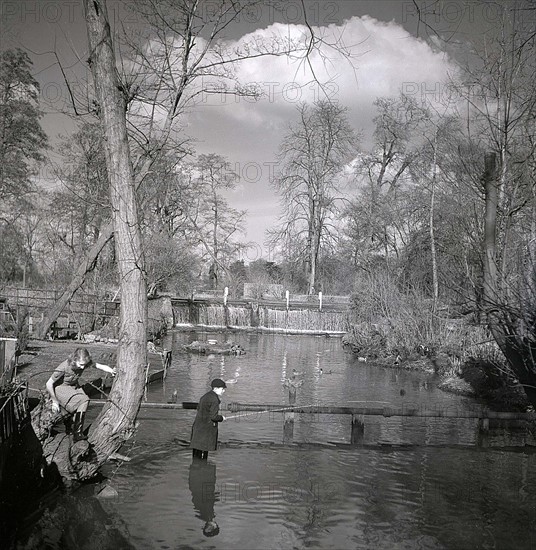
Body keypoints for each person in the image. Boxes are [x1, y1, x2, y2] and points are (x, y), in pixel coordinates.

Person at [46, 347, 116, 441]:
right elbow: (49, 383)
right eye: (81, 364)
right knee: (84, 400)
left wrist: (111, 371)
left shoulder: (84, 363)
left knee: (82, 401)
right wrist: (54, 401)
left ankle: (70, 430)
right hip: (61, 388)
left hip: (74, 386)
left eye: (85, 365)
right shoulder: (63, 367)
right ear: (74, 359)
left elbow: (99, 366)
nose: (83, 367)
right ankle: (77, 433)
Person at [189, 378, 227, 460]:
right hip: (206, 430)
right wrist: (221, 418)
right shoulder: (215, 400)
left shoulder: (205, 396)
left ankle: (195, 470)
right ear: (215, 388)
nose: (223, 391)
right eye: (222, 389)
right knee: (204, 455)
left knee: (196, 454)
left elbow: (200, 409)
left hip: (198, 427)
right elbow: (214, 417)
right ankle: (204, 470)